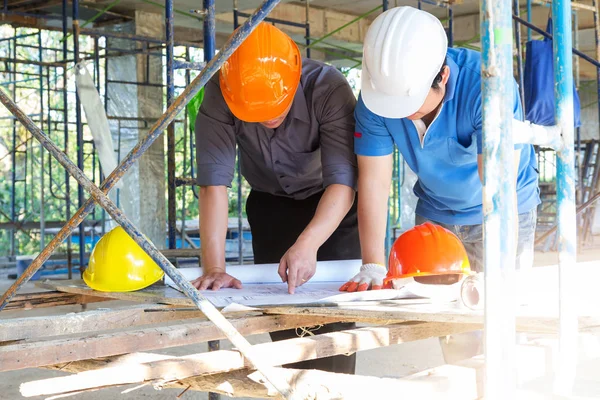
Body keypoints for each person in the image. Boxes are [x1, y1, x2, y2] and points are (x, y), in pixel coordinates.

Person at [339, 6, 541, 362]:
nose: (399, 113)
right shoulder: (375, 98)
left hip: (503, 206)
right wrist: (372, 263)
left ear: (443, 75)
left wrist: (497, 264)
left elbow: (496, 183)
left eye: (410, 103)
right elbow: (373, 182)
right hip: (437, 216)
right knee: (453, 332)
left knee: (502, 325)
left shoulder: (488, 84)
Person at [191, 22, 360, 374]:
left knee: (336, 322)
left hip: (331, 206)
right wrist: (215, 267)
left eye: (277, 110)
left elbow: (343, 182)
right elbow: (213, 185)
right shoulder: (220, 93)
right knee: (281, 321)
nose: (268, 118)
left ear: (296, 77)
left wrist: (309, 243)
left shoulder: (329, 89)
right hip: (269, 204)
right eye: (257, 114)